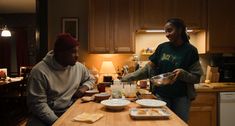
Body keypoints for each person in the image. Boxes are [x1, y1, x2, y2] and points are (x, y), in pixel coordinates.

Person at [122, 18, 203, 123]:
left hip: (182, 97)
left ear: (180, 30)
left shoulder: (191, 51)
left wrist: (183, 74)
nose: (167, 34)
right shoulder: (162, 48)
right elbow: (147, 69)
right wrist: (127, 78)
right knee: (161, 123)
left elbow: (196, 78)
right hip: (161, 95)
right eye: (166, 31)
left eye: (170, 30)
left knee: (180, 123)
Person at [27, 33, 96, 126]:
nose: (77, 56)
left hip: (68, 110)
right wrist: (59, 122)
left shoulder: (78, 67)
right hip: (44, 116)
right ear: (60, 53)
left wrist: (84, 87)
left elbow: (91, 79)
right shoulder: (39, 71)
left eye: (77, 51)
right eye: (73, 52)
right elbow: (38, 105)